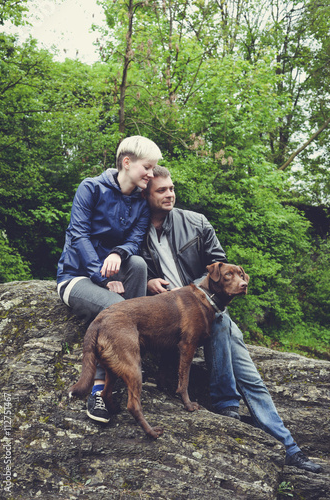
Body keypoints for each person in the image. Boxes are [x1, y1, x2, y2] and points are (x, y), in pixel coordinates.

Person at [141, 165, 323, 474]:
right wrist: (148, 281)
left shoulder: (195, 222)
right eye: (161, 190)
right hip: (169, 319)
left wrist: (196, 294)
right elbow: (125, 268)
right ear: (145, 194)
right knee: (225, 329)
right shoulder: (134, 229)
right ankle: (228, 406)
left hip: (208, 311)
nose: (170, 194)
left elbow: (220, 266)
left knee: (248, 373)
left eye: (172, 188)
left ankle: (288, 447)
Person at [57, 135, 162, 423]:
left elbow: (135, 240)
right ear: (127, 163)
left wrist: (118, 253)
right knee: (118, 312)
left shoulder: (140, 203)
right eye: (148, 167)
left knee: (138, 264)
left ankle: (130, 353)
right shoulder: (90, 188)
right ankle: (99, 391)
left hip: (113, 273)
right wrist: (102, 279)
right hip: (75, 277)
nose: (151, 175)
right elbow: (78, 236)